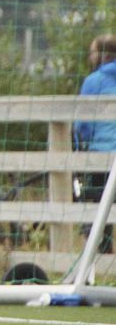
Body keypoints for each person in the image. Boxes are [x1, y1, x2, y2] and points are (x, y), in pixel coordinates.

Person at [75, 34, 116, 201]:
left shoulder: (93, 82)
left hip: (101, 155)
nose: (90, 57)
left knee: (99, 205)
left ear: (104, 56)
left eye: (92, 53)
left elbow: (83, 125)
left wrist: (79, 147)